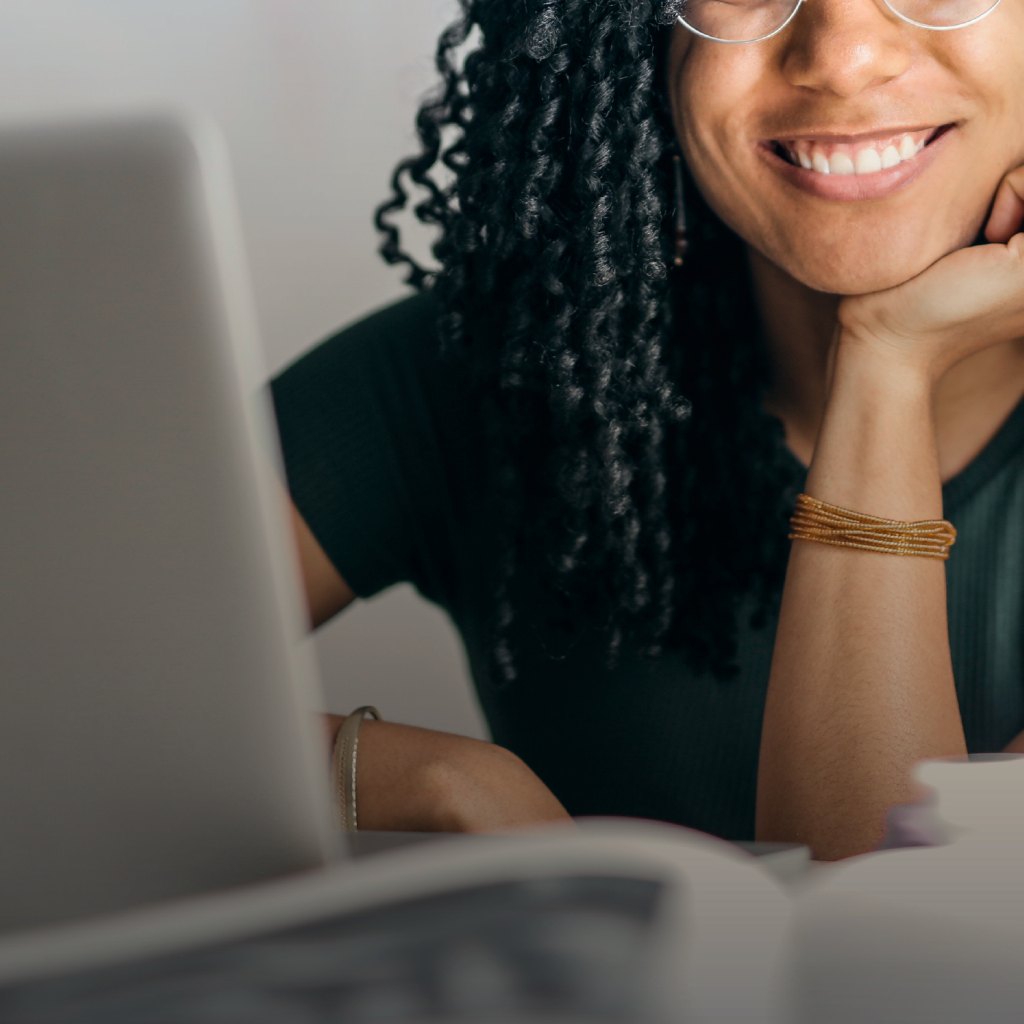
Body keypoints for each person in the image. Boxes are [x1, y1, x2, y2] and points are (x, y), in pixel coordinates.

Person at [271, 0, 1024, 860]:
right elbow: (85, 676)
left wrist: (887, 361)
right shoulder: (518, 362)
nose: (841, 55)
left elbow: (881, 950)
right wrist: (424, 779)